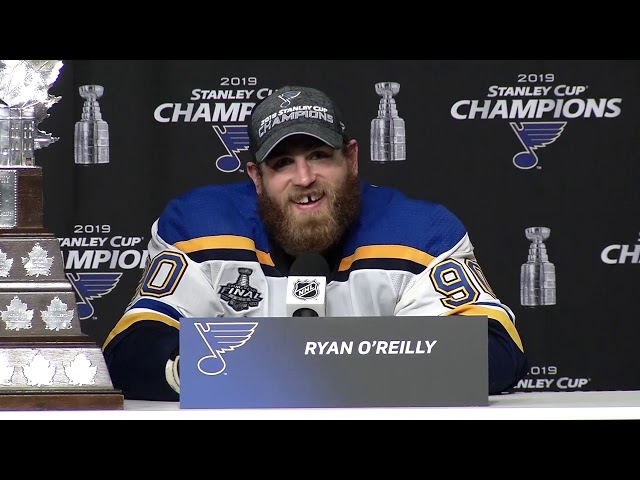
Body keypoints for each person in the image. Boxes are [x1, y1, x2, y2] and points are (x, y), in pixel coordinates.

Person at [102, 85, 528, 401]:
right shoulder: (197, 225)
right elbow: (133, 348)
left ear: (352, 159)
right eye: (282, 163)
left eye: (320, 156)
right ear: (256, 177)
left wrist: (306, 364)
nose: (304, 179)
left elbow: (495, 350)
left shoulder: (421, 230)